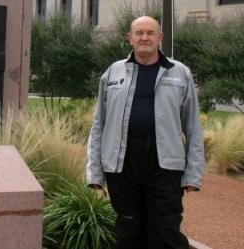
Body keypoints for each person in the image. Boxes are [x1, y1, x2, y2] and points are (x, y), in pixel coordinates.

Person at [86, 16, 204, 249]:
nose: (144, 38)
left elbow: (192, 126)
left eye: (150, 33)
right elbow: (99, 124)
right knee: (129, 231)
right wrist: (94, 173)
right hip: (122, 162)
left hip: (164, 163)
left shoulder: (179, 73)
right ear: (130, 38)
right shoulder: (112, 72)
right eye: (139, 33)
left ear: (160, 38)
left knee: (166, 229)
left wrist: (193, 174)